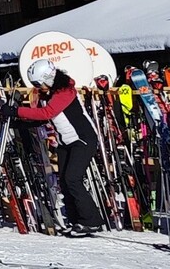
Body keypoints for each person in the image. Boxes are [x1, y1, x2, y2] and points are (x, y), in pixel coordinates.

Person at [15, 58, 108, 236]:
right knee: (64, 182)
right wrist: (20, 123)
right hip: (65, 141)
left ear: (48, 78)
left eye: (38, 84)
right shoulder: (49, 94)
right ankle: (75, 220)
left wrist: (17, 111)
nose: (38, 88)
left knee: (73, 179)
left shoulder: (65, 91)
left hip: (82, 139)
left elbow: (47, 112)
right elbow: (45, 118)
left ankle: (92, 221)